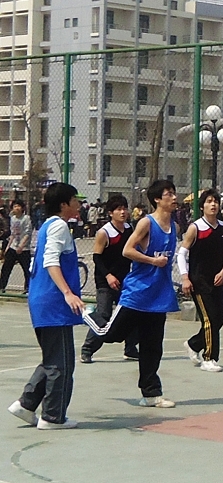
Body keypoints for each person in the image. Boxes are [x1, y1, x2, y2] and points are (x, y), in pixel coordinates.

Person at [83, 180, 180, 409]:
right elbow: (127, 250)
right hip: (137, 293)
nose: (174, 197)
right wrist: (152, 261)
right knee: (110, 335)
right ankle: (87, 313)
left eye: (174, 193)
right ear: (157, 199)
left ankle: (151, 394)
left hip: (159, 295)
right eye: (169, 194)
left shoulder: (174, 226)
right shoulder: (147, 223)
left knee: (152, 346)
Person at [7, 183, 84, 430]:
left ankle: (26, 404)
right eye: (75, 199)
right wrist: (68, 293)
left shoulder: (47, 226)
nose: (79, 204)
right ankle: (52, 417)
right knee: (62, 364)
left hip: (42, 300)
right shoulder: (59, 226)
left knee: (53, 358)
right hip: (54, 303)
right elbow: (51, 261)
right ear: (64, 204)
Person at [79, 195, 139, 364]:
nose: (123, 212)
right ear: (111, 213)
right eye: (119, 209)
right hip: (105, 281)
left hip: (124, 280)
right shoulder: (104, 232)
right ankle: (87, 349)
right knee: (104, 315)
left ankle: (130, 349)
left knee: (131, 312)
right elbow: (97, 257)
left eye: (125, 208)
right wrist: (108, 276)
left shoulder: (129, 229)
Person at [178, 189, 223, 373]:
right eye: (209, 201)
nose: (213, 204)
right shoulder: (196, 227)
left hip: (217, 281)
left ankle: (193, 344)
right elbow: (182, 253)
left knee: (219, 319)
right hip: (199, 281)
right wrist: (185, 277)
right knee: (209, 319)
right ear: (202, 206)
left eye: (215, 201)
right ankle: (209, 358)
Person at [0, 199, 32, 294]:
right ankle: (2, 287)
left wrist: (21, 246)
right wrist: (8, 246)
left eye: (18, 206)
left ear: (22, 208)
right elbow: (13, 234)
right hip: (13, 247)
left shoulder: (26, 218)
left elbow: (27, 233)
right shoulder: (13, 219)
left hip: (24, 249)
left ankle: (28, 288)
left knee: (26, 269)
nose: (16, 208)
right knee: (6, 268)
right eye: (14, 206)